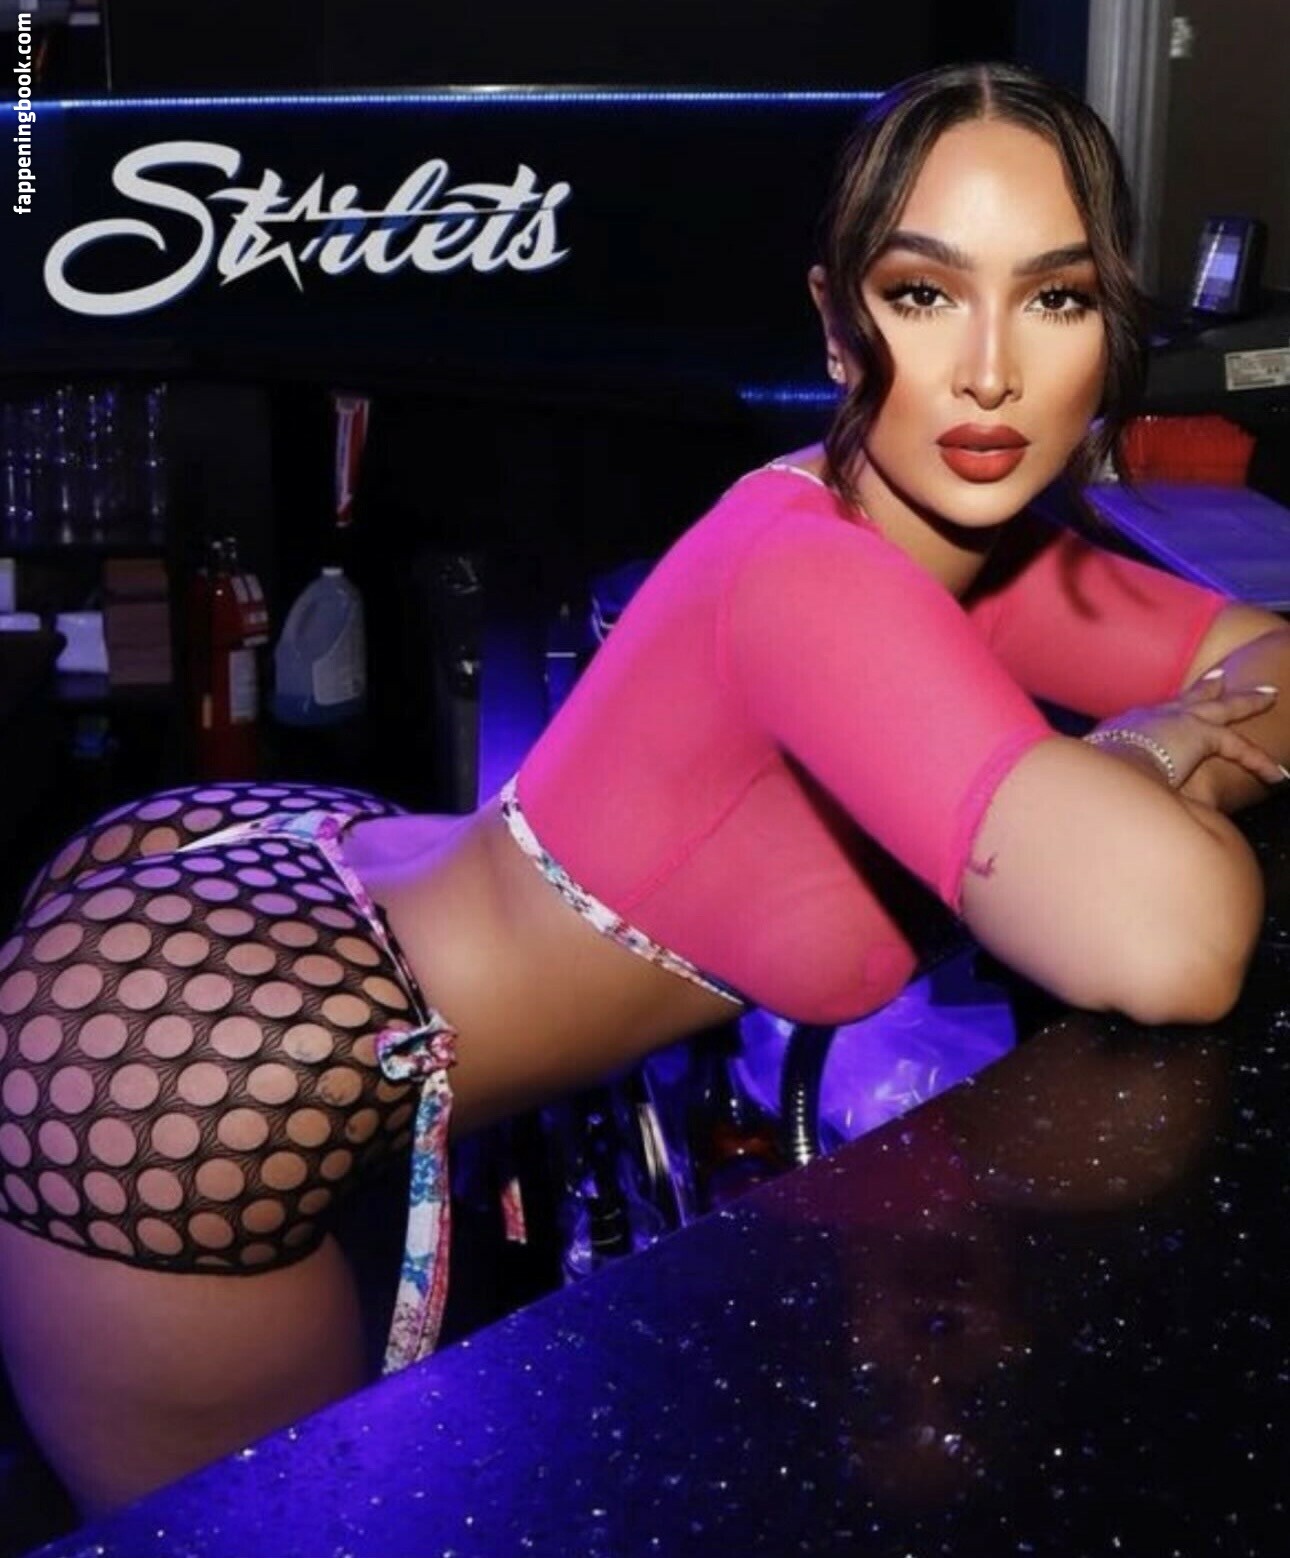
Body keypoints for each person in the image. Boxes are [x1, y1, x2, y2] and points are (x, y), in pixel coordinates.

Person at [3, 59, 1290, 1517]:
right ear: (835, 324)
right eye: (923, 293)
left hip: (278, 890)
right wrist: (1137, 752)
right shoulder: (815, 578)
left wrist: (1163, 741)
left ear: (1112, 331)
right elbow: (1171, 939)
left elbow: (1268, 657)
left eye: (1053, 298)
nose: (988, 368)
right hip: (205, 1056)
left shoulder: (962, 545)